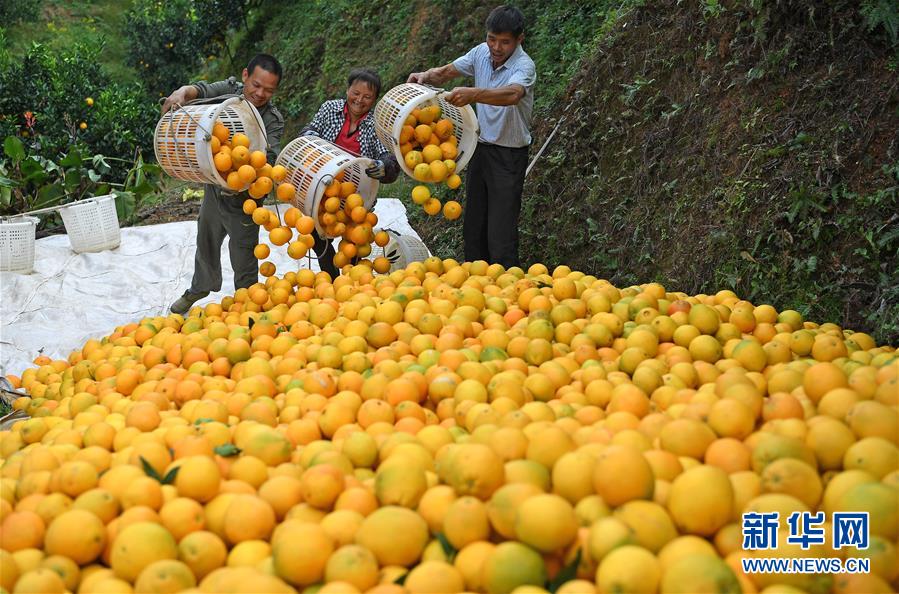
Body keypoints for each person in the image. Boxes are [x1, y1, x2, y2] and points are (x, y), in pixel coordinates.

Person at [408, 5, 535, 268]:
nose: (496, 47)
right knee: (474, 226)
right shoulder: (480, 53)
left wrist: (474, 93)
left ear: (519, 40)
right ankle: (476, 285)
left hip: (508, 157)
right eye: (491, 39)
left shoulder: (524, 66)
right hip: (480, 150)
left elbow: (513, 94)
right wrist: (425, 76)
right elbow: (446, 72)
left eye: (504, 42)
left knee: (501, 232)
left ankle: (508, 288)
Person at [163, 54, 285, 315]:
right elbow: (202, 90)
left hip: (247, 198)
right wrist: (181, 92)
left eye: (268, 90)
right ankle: (199, 288)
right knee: (206, 239)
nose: (260, 93)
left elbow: (269, 158)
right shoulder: (232, 91)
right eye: (256, 85)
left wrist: (245, 178)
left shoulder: (272, 119)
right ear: (245, 76)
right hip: (214, 186)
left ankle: (249, 301)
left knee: (243, 253)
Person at [299, 68, 400, 278]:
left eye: (367, 97)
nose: (359, 100)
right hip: (325, 188)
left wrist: (383, 167)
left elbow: (388, 158)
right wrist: (308, 137)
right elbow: (311, 130)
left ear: (374, 100)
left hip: (357, 195)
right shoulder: (329, 109)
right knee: (318, 235)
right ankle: (332, 279)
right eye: (356, 93)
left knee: (354, 244)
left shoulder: (376, 124)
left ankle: (352, 285)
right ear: (347, 90)